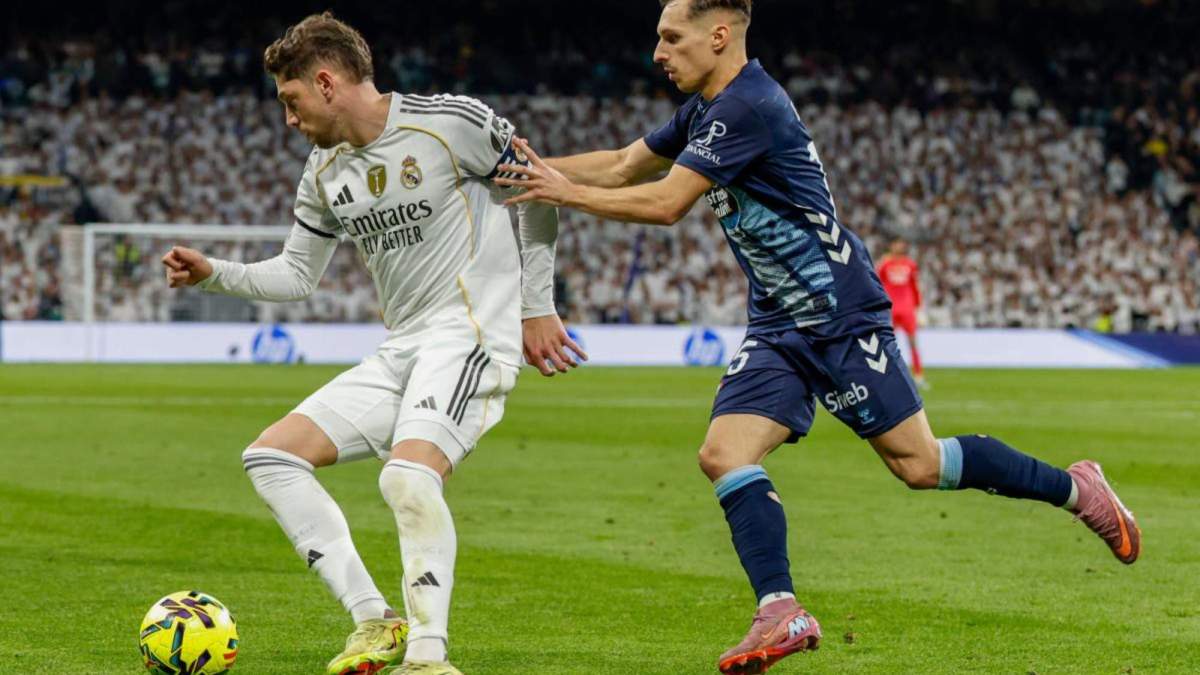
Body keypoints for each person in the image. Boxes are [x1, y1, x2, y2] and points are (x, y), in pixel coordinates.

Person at [493, 1, 1141, 673]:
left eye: (671, 36)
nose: (658, 50)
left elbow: (664, 203)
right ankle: (781, 608)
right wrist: (526, 170)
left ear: (719, 35)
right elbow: (628, 164)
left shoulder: (748, 106)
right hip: (778, 322)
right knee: (723, 452)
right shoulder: (705, 109)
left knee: (920, 464)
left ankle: (1077, 487)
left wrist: (558, 191)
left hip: (838, 313)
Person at [161, 12, 583, 675]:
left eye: (291, 101)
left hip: (471, 337)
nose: (289, 120)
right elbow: (298, 274)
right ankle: (372, 618)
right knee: (270, 457)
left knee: (407, 476)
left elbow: (538, 190)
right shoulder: (324, 170)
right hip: (403, 349)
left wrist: (536, 307)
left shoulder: (451, 124)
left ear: (326, 81)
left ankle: (427, 656)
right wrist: (217, 274)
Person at [876, 238, 927, 387]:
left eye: (901, 244)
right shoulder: (884, 264)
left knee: (912, 342)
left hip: (907, 308)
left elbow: (915, 286)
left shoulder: (910, 264)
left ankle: (918, 375)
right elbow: (877, 283)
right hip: (890, 308)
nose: (899, 246)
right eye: (896, 243)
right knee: (887, 343)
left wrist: (918, 307)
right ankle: (885, 375)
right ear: (891, 245)